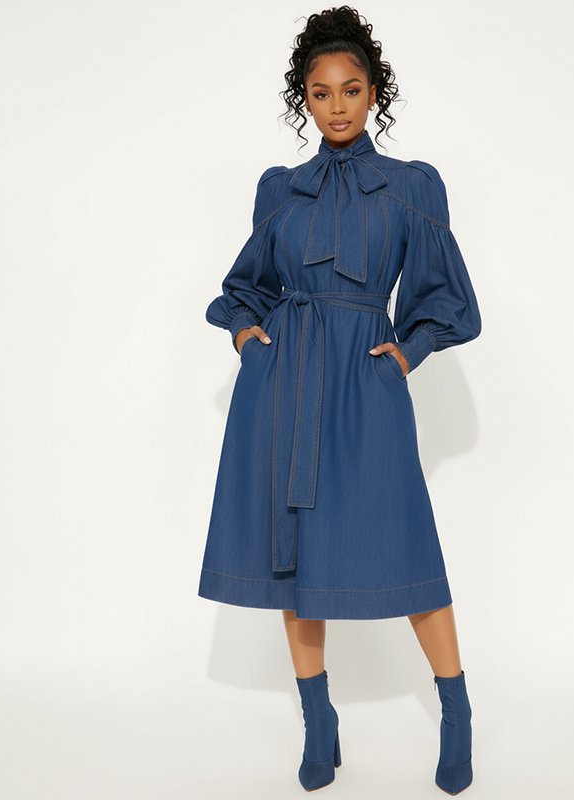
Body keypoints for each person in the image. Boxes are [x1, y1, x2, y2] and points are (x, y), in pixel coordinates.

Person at [198, 6, 481, 795]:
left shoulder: (412, 187)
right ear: (305, 100)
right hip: (283, 388)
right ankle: (318, 723)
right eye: (320, 94)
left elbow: (445, 297)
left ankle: (456, 711)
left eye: (351, 90)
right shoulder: (279, 191)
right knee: (295, 557)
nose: (337, 106)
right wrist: (247, 338)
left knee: (409, 550)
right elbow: (246, 285)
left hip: (365, 381)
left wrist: (407, 354)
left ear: (374, 93)